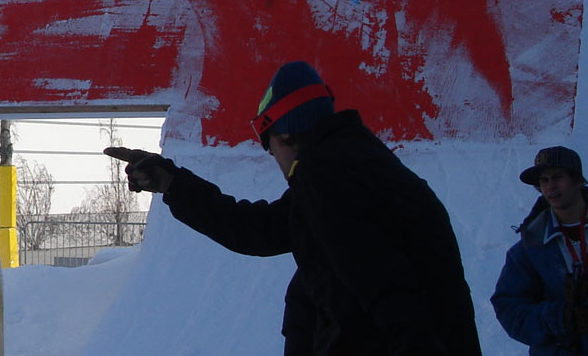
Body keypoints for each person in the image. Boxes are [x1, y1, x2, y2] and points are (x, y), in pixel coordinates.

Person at [106, 60, 480, 355]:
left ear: (286, 136)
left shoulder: (330, 179)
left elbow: (395, 303)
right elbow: (259, 229)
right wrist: (172, 182)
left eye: (271, 149)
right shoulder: (357, 168)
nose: (276, 162)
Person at [492, 146, 588, 354]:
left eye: (557, 177)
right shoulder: (528, 248)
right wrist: (559, 319)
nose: (550, 186)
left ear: (578, 180)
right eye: (544, 180)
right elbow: (508, 308)